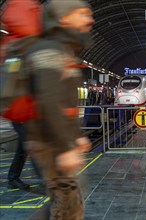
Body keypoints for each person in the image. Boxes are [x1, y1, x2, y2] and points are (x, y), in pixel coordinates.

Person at [24, 0, 94, 219]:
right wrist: (65, 147)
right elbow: (48, 100)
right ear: (64, 18)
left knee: (65, 202)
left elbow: (65, 102)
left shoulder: (63, 50)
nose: (89, 19)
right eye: (82, 13)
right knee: (68, 208)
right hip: (49, 142)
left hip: (55, 140)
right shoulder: (49, 50)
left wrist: (77, 136)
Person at [1, 0, 42, 190]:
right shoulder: (15, 48)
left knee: (24, 145)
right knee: (32, 143)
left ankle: (13, 177)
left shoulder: (25, 46)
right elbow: (11, 79)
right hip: (18, 107)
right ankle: (47, 181)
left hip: (26, 106)